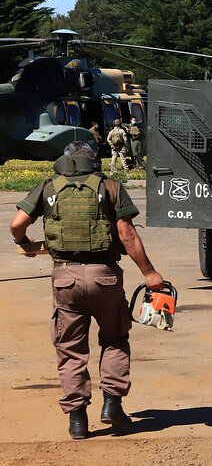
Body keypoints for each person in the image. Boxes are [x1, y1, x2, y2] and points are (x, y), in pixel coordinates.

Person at [9, 141, 164, 440]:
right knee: (115, 338)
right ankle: (112, 404)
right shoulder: (110, 186)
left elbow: (17, 223)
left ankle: (77, 420)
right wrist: (149, 273)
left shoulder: (48, 187)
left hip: (64, 278)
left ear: (66, 161)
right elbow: (126, 235)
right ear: (93, 161)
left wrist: (24, 242)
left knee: (70, 349)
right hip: (104, 276)